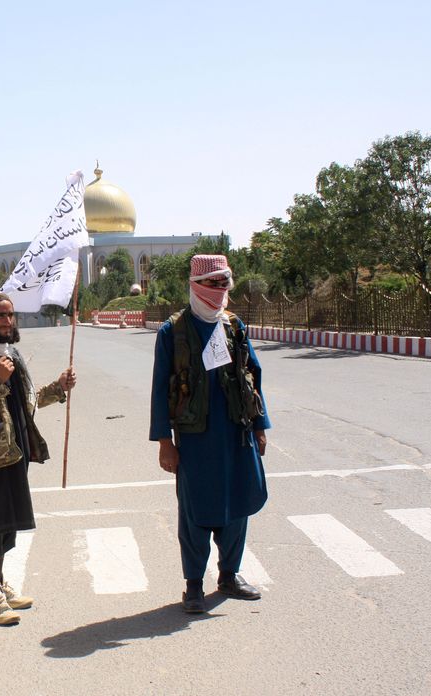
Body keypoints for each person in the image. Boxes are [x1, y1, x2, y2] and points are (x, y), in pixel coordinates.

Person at [149, 255, 271, 614]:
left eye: (224, 284)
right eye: (214, 284)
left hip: (236, 433)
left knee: (237, 506)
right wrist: (165, 442)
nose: (220, 291)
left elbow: (254, 373)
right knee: (196, 512)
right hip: (197, 439)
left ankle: (229, 576)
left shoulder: (233, 325)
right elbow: (160, 389)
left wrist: (262, 426)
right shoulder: (174, 331)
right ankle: (193, 586)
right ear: (197, 284)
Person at [0, 293, 76, 625]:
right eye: (0, 316)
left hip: (16, 450)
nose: (8, 322)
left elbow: (27, 402)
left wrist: (58, 387)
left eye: (11, 316)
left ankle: (0, 585)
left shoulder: (13, 354)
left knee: (8, 527)